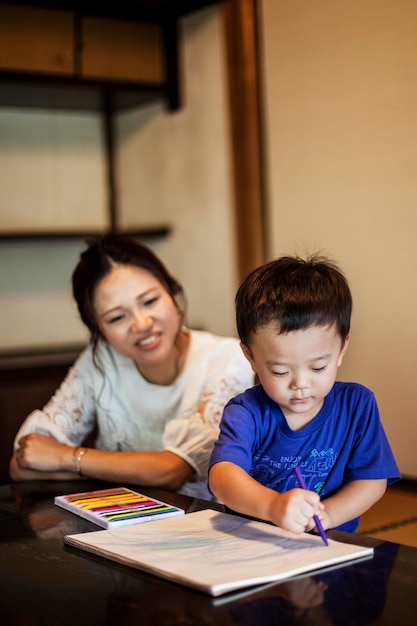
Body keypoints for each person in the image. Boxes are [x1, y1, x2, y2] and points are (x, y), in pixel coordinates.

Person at [10, 235, 254, 499]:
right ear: (99, 331)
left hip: (206, 528)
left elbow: (174, 471)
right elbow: (25, 462)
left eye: (150, 301)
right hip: (117, 521)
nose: (141, 324)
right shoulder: (101, 360)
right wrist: (122, 468)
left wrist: (66, 458)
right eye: (117, 317)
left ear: (171, 292)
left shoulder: (226, 359)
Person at [208, 253, 400, 532]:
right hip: (254, 543)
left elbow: (371, 480)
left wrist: (330, 515)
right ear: (250, 356)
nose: (301, 384)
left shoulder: (357, 405)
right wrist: (273, 506)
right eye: (280, 372)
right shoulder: (246, 412)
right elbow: (223, 477)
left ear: (341, 349)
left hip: (330, 546)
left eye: (318, 367)